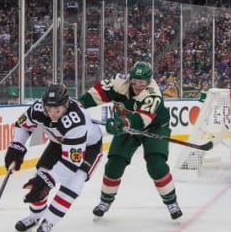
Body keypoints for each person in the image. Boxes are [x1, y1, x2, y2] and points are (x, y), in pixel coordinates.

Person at [77, 61, 182, 220]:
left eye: (142, 82)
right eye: (135, 81)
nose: (138, 85)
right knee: (114, 164)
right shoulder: (119, 83)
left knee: (156, 164)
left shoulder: (153, 93)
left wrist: (122, 123)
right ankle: (105, 201)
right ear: (130, 78)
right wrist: (80, 103)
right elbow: (98, 93)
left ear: (148, 81)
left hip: (155, 127)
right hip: (125, 126)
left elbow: (142, 119)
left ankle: (171, 202)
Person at [3, 83, 103, 232]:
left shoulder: (76, 121)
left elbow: (72, 162)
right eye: (49, 110)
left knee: (73, 183)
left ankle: (48, 222)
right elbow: (22, 126)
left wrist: (49, 180)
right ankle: (35, 216)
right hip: (58, 143)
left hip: (89, 148)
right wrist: (17, 145)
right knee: (38, 180)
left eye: (58, 110)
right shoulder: (37, 109)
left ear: (66, 105)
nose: (53, 115)